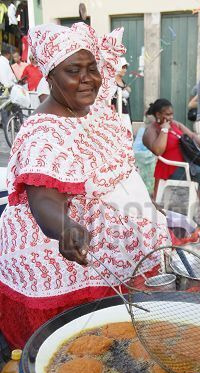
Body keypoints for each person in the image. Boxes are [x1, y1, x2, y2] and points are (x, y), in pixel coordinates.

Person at [0, 22, 169, 348]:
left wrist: (148, 207)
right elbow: (44, 200)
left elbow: (121, 173)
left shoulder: (96, 113)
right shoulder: (44, 133)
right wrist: (65, 227)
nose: (88, 77)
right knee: (80, 350)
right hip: (71, 264)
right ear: (49, 77)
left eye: (92, 67)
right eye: (73, 70)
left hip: (118, 254)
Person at [142, 99, 200, 226]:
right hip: (172, 168)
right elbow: (158, 150)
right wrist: (164, 130)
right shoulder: (151, 131)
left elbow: (192, 136)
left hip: (188, 162)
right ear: (158, 115)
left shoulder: (176, 124)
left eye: (171, 114)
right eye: (167, 114)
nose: (171, 117)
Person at [111, 57, 132, 133]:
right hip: (115, 114)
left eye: (126, 68)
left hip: (125, 113)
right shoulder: (111, 81)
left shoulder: (123, 82)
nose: (125, 70)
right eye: (123, 67)